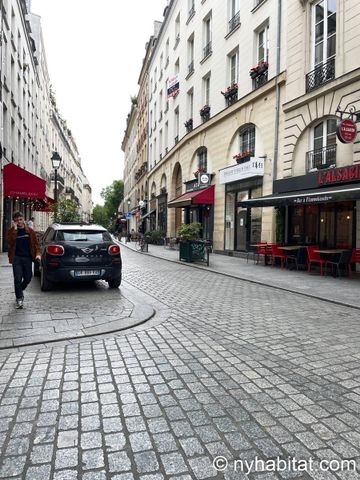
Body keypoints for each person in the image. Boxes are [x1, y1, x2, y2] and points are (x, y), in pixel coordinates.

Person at [6, 211, 41, 309]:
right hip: (16, 258)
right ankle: (19, 299)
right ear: (14, 221)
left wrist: (38, 255)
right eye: (16, 220)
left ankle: (19, 290)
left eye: (20, 219)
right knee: (17, 279)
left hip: (27, 258)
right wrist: (15, 229)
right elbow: (9, 242)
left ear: (23, 219)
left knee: (28, 278)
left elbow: (36, 245)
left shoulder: (30, 231)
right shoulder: (11, 231)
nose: (19, 222)